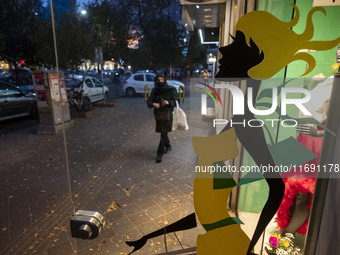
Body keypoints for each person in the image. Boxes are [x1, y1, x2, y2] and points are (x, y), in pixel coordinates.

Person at [147, 74, 179, 163]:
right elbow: (149, 101)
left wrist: (168, 102)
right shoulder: (155, 90)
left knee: (163, 133)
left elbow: (177, 101)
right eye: (158, 80)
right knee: (163, 131)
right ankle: (168, 145)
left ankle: (159, 154)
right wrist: (152, 104)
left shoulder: (171, 89)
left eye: (162, 79)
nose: (160, 81)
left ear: (165, 80)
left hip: (168, 114)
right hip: (158, 114)